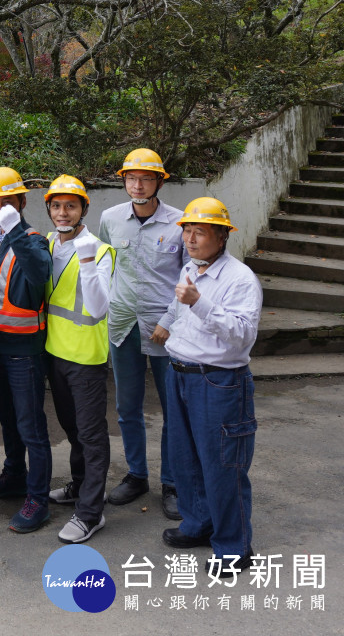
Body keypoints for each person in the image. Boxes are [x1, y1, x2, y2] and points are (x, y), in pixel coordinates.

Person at [154, 198, 261, 571]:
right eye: (186, 230)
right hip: (180, 374)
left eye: (200, 232)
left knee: (223, 465)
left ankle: (234, 548)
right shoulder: (190, 268)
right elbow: (181, 311)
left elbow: (242, 336)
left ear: (222, 236)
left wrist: (200, 303)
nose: (190, 238)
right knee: (186, 459)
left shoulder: (240, 279)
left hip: (219, 382)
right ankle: (199, 524)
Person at [98, 149, 186, 519]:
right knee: (127, 408)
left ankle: (173, 482)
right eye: (131, 178)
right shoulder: (110, 219)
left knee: (173, 410)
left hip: (165, 329)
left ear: (159, 182)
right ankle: (136, 476)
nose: (137, 185)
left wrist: (170, 320)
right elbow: (105, 267)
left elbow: (188, 279)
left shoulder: (180, 223)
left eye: (146, 178)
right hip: (123, 326)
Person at [0, 166, 54, 534]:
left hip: (24, 352)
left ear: (22, 202)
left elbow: (40, 273)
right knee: (7, 418)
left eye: (7, 202)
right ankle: (14, 474)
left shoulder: (33, 239)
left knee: (31, 426)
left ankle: (38, 498)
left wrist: (14, 228)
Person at [41, 176, 115, 544]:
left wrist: (86, 261)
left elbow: (99, 308)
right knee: (72, 430)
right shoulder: (49, 244)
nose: (62, 212)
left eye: (70, 205)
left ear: (84, 209)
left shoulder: (99, 250)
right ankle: (81, 486)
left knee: (91, 435)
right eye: (56, 205)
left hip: (85, 358)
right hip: (55, 353)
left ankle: (91, 513)